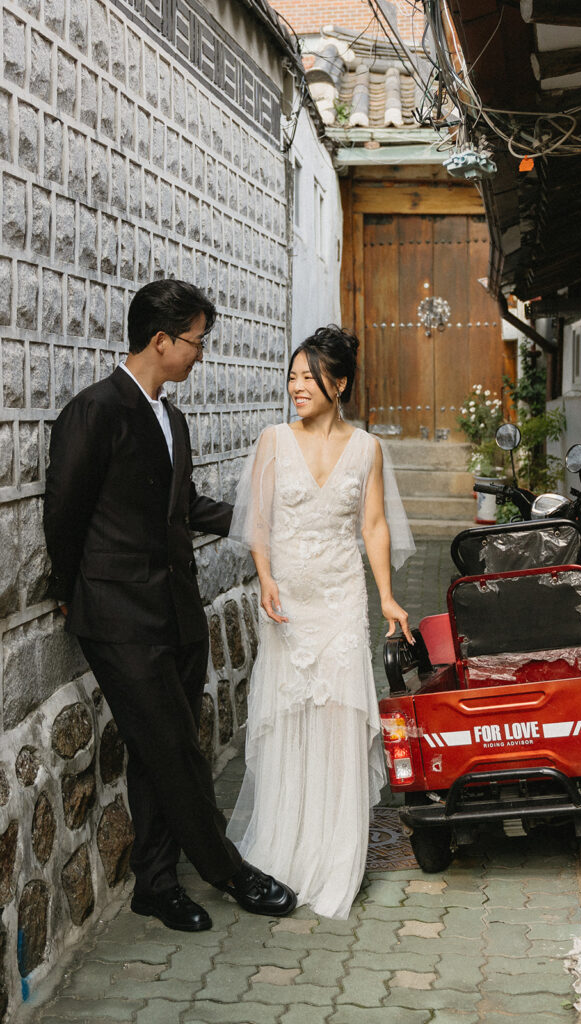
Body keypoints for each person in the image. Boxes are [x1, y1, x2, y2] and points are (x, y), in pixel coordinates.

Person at [43, 279, 296, 931]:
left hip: (177, 613)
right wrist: (73, 596)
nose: (200, 354)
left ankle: (156, 885)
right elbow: (63, 515)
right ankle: (228, 870)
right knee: (178, 749)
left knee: (161, 752)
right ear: (160, 341)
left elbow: (183, 508)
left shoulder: (171, 419)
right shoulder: (94, 411)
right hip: (119, 618)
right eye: (196, 341)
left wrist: (264, 520)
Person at [227, 324, 415, 919]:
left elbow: (374, 526)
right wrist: (266, 578)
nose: (296, 387)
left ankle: (337, 855)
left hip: (339, 602)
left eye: (309, 377)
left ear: (339, 385)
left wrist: (386, 595)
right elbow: (258, 522)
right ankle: (284, 847)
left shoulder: (366, 449)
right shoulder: (272, 440)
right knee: (287, 721)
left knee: (337, 721)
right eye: (292, 376)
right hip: (288, 607)